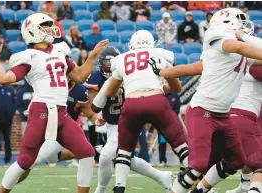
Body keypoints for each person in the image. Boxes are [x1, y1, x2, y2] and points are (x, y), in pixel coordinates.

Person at [0, 12, 108, 193]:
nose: (50, 29)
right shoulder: (29, 56)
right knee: (26, 161)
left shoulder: (60, 50)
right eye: (45, 26)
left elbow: (80, 76)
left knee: (87, 153)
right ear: (33, 31)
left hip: (62, 112)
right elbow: (4, 78)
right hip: (41, 110)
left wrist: (93, 56)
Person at [153, 8, 262, 193]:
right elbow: (237, 46)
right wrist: (243, 37)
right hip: (203, 111)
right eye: (240, 21)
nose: (244, 26)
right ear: (228, 22)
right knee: (198, 166)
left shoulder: (228, 53)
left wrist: (163, 72)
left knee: (236, 161)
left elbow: (194, 68)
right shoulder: (219, 36)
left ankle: (199, 190)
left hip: (224, 115)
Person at [0, 78, 105, 193]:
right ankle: (96, 150)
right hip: (41, 128)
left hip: (61, 132)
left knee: (31, 162)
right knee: (36, 160)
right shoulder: (48, 85)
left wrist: (99, 123)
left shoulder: (79, 90)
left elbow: (90, 113)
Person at [104, 30, 188, 193]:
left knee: (124, 150)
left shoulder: (122, 59)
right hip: (156, 101)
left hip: (131, 104)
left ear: (132, 44)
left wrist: (127, 85)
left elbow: (109, 92)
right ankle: (193, 178)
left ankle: (119, 187)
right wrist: (162, 86)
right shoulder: (161, 54)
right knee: (180, 143)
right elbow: (177, 88)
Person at [83, 46, 173, 193]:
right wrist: (101, 105)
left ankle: (100, 190)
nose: (109, 67)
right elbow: (94, 105)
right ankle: (161, 177)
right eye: (106, 64)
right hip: (112, 125)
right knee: (124, 158)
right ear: (101, 64)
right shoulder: (96, 78)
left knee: (106, 157)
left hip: (130, 122)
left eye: (112, 64)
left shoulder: (130, 75)